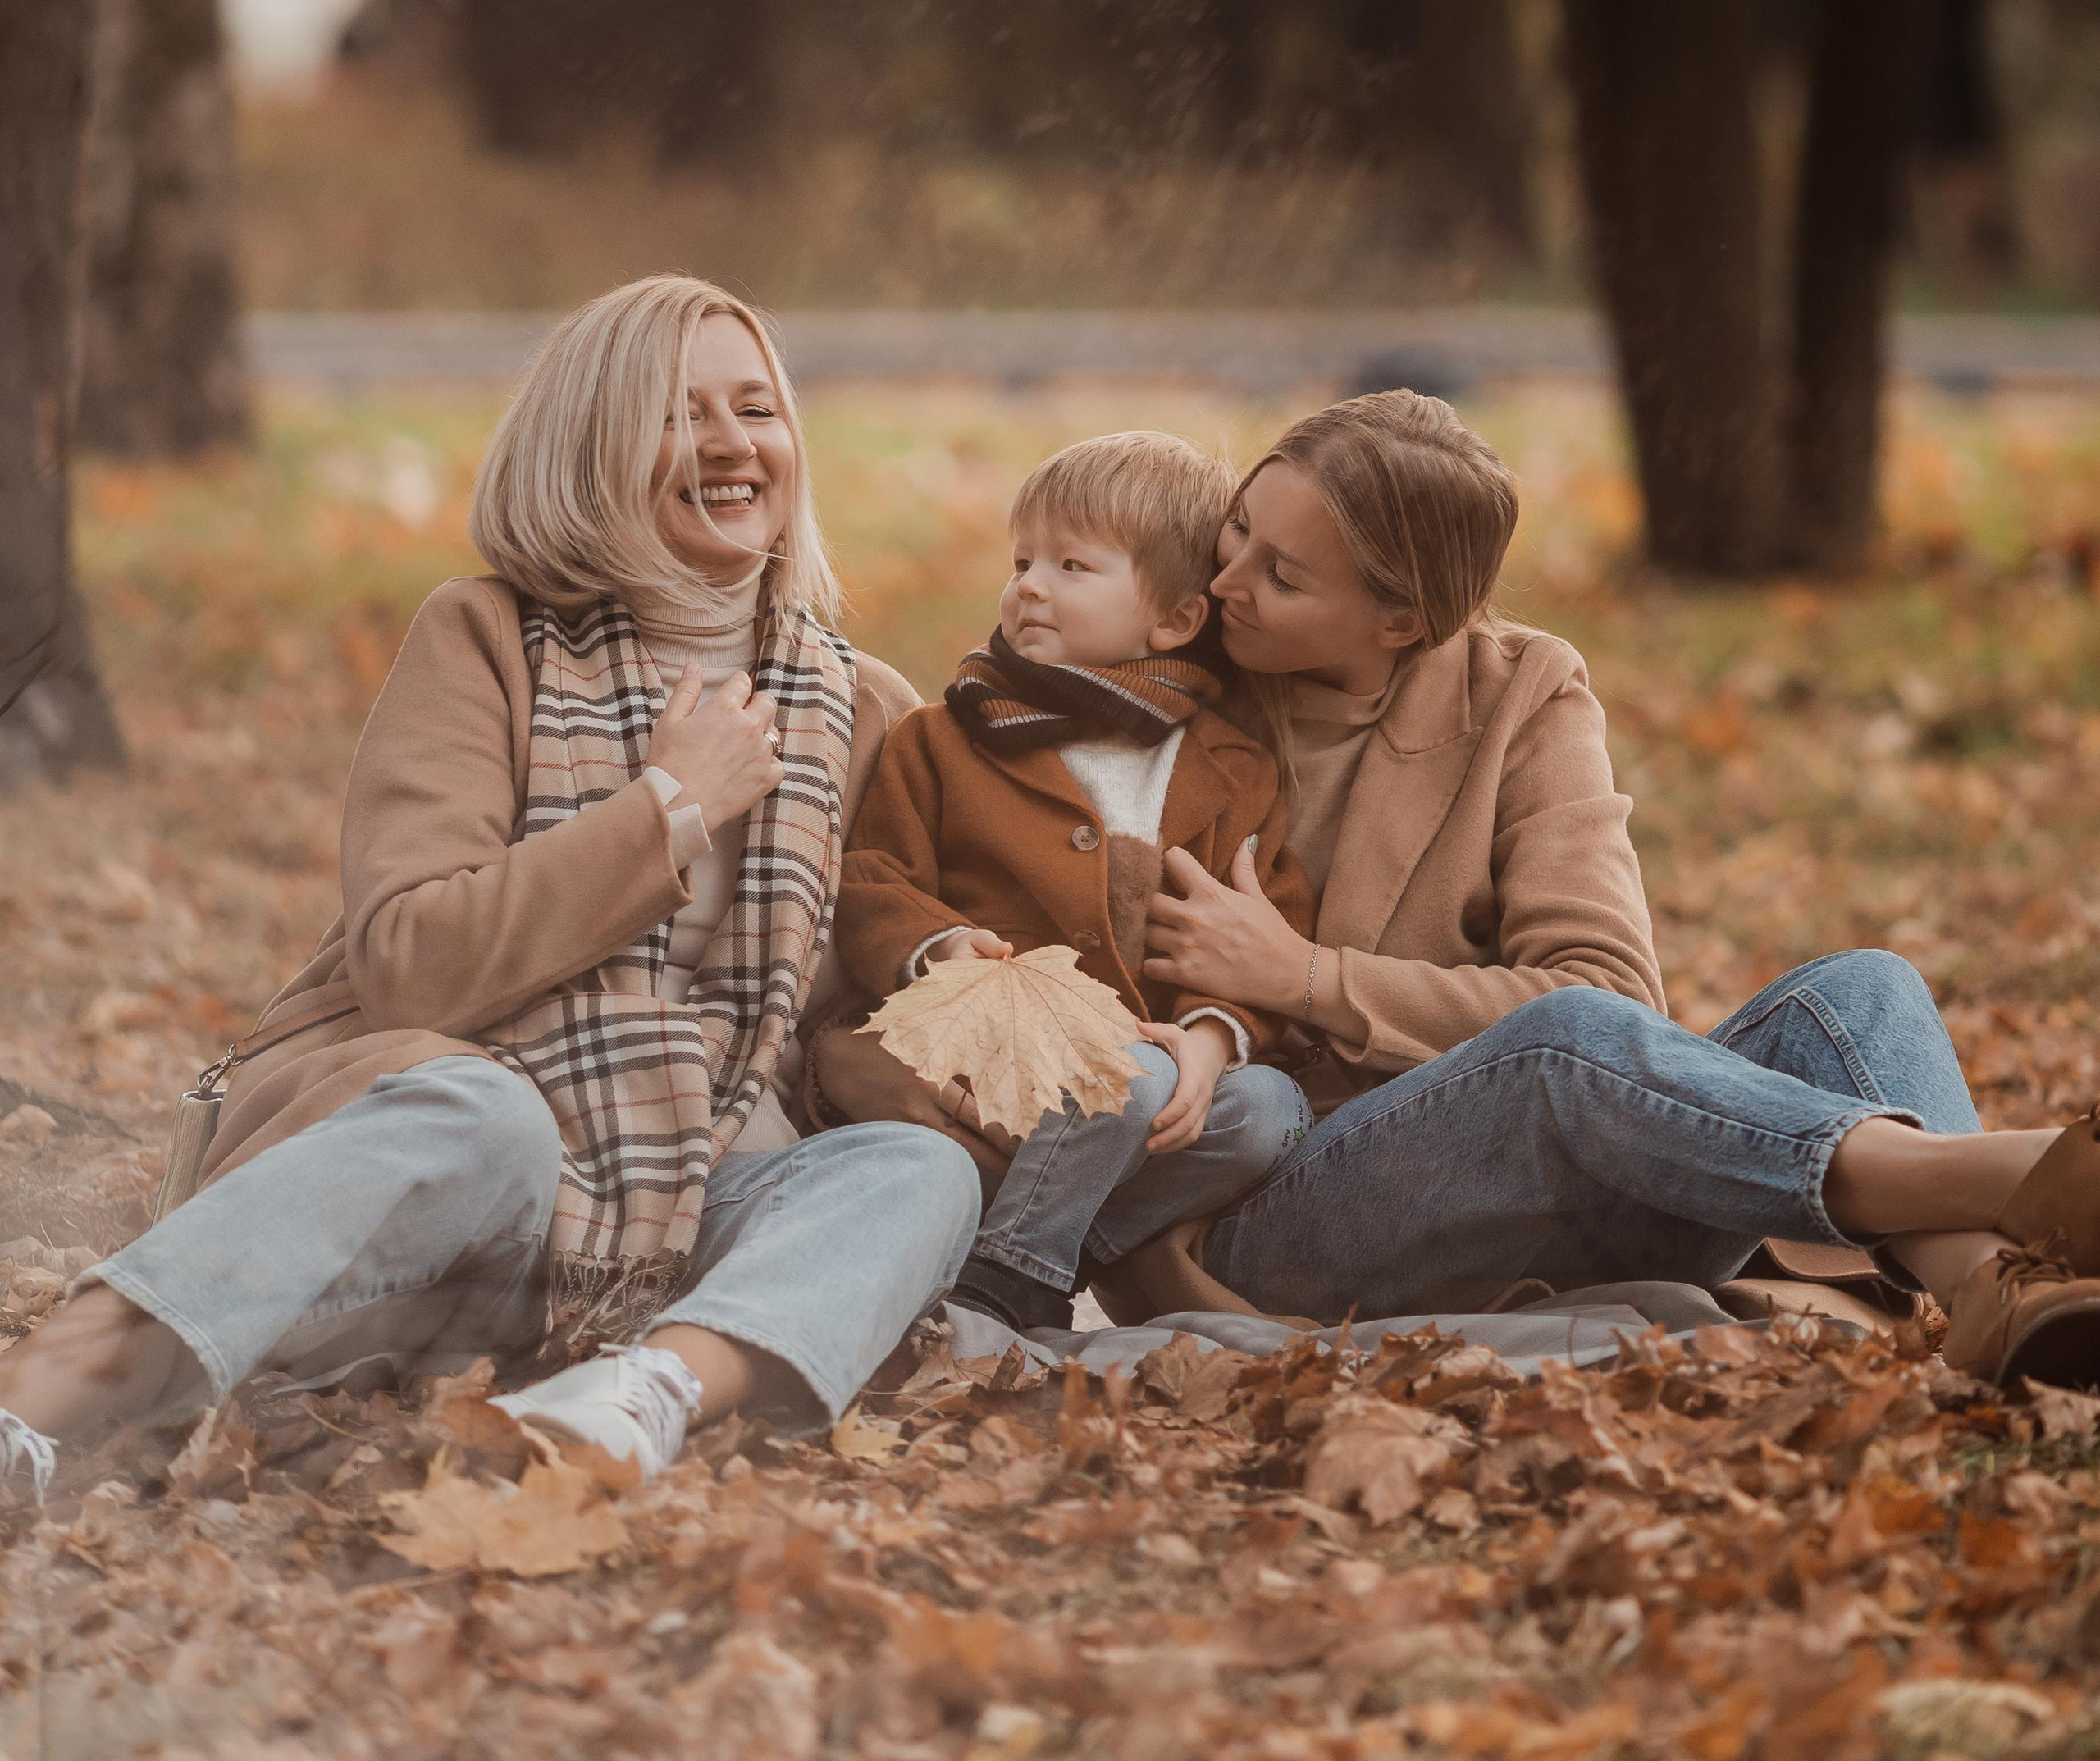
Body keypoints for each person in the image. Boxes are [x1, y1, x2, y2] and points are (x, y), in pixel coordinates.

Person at [820, 389, 2100, 1389]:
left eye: (1280, 575)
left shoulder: (1520, 694)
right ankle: (2021, 1175)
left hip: (1544, 1162)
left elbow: (1608, 991)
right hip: (1276, 1201)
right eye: (1235, 539)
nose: (1222, 588)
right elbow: (1000, 743)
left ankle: (2004, 1289)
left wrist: (1305, 978)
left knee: (1858, 996)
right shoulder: (1167, 676)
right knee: (1568, 1045)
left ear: (1402, 621)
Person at [0, 278, 982, 1506]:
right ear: (591, 450)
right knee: (490, 1115)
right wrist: (665, 811)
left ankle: (639, 1397)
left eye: (758, 408)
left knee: (911, 1171)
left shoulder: (862, 701)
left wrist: (956, 1014)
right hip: (447, 1182)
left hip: (689, 1205)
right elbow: (413, 958)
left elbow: (826, 1035)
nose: (735, 445)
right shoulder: (483, 639)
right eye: (682, 416)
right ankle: (32, 1408)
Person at [832, 431, 1311, 1330]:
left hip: (1153, 1082)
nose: (1029, 586)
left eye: (1072, 565)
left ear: (1171, 621)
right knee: (1119, 1080)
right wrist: (941, 947)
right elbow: (871, 877)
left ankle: (1029, 1257)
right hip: (998, 1065)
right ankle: (1014, 1277)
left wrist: (1210, 1043)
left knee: (1270, 1110)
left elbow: (1269, 920)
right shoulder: (939, 740)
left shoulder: (1230, 766)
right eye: (1022, 561)